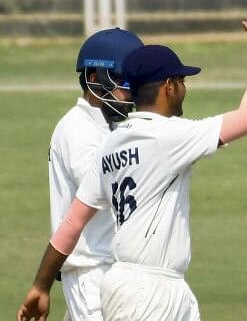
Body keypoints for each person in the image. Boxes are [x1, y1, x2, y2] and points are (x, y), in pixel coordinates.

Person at [17, 0, 247, 321]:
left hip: (139, 281)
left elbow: (72, 222)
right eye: (182, 81)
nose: (186, 88)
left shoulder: (114, 141)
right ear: (169, 86)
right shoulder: (163, 137)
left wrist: (40, 285)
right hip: (124, 282)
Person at [48, 27, 143, 321]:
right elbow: (104, 187)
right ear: (94, 78)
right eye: (124, 81)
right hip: (90, 273)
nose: (130, 92)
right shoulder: (77, 128)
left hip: (115, 271)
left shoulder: (111, 126)